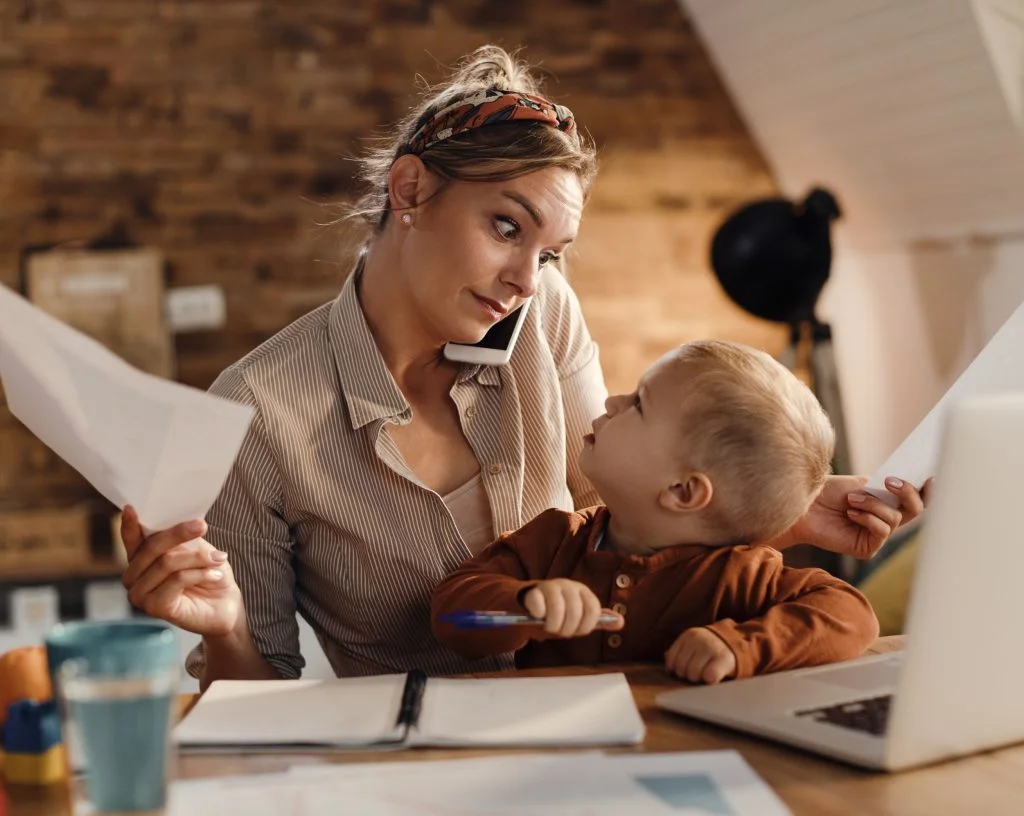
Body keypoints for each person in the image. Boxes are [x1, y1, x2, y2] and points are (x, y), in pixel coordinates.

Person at [119, 46, 927, 689]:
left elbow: (612, 511)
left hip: (614, 723)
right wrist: (222, 626)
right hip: (421, 771)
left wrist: (780, 505)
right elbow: (254, 698)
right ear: (410, 190)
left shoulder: (544, 311)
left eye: (550, 253)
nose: (525, 280)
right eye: (507, 227)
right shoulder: (257, 412)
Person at [432, 340, 878, 684]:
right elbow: (451, 616)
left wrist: (738, 646)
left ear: (683, 491)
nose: (611, 403)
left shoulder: (739, 574)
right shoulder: (553, 539)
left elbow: (853, 616)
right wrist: (523, 605)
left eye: (639, 404)